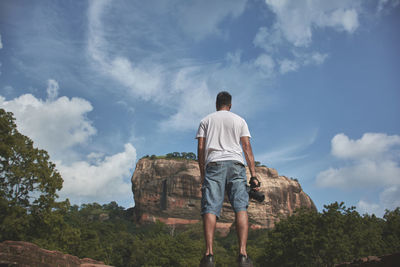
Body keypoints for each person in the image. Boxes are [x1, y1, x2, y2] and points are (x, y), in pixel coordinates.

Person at [196, 91, 259, 267]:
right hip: (236, 165)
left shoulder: (205, 121)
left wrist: (203, 174)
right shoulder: (239, 120)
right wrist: (253, 175)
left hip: (214, 165)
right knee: (240, 208)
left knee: (210, 208)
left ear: (216, 104)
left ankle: (209, 255)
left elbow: (201, 148)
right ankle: (243, 255)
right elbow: (246, 147)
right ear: (230, 106)